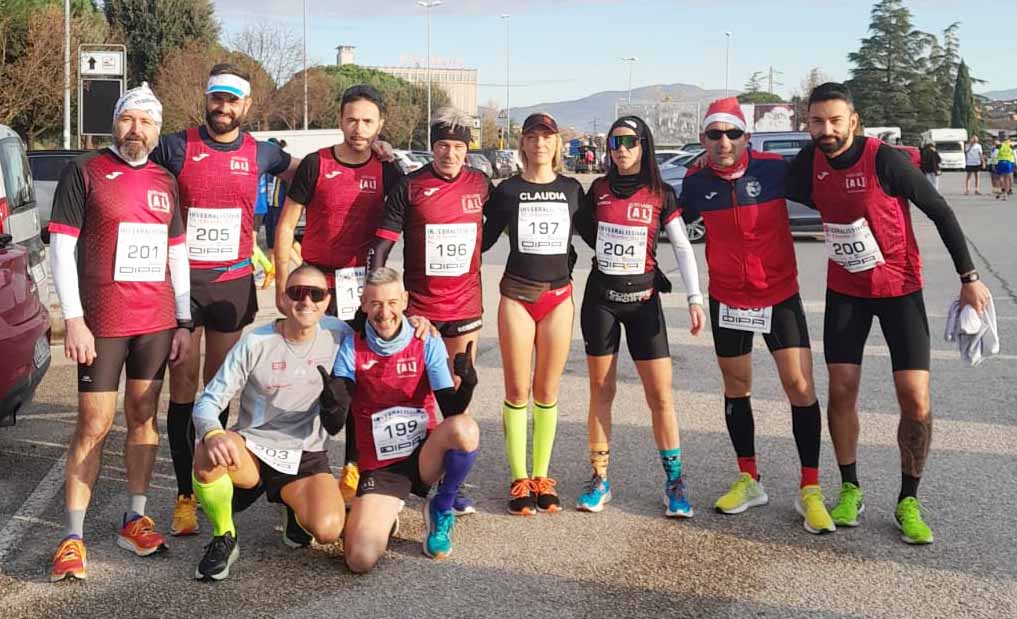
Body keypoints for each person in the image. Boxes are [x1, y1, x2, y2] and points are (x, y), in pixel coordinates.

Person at [788, 83, 991, 545]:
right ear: (809, 123)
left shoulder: (885, 160)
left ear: (853, 120)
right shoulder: (809, 163)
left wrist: (969, 277)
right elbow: (770, 194)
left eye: (836, 120)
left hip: (900, 288)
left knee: (914, 397)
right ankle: (850, 490)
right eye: (818, 121)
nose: (827, 130)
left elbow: (939, 210)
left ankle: (908, 500)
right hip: (846, 291)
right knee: (841, 390)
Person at [48, 84, 193, 582]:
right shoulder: (84, 172)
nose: (137, 130)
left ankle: (134, 516)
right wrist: (73, 317)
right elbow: (61, 250)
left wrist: (184, 320)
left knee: (143, 418)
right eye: (129, 120)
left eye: (147, 122)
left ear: (158, 129)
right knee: (93, 424)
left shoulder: (165, 178)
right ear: (115, 123)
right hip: (102, 323)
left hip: (154, 322)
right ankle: (72, 536)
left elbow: (177, 252)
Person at [150, 63, 300, 537]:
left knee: (216, 392)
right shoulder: (176, 146)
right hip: (181, 284)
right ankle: (184, 496)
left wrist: (373, 153)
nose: (223, 107)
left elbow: (310, 171)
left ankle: (210, 479)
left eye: (232, 100)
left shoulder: (261, 153)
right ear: (206, 97)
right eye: (217, 97)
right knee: (182, 387)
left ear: (246, 106)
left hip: (232, 286)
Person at [679, 98, 834, 534]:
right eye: (714, 134)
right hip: (728, 297)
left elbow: (828, 192)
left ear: (746, 136)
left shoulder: (773, 169)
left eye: (732, 133)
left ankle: (810, 488)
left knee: (800, 386)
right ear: (703, 139)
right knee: (736, 386)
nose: (724, 142)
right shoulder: (695, 181)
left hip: (778, 294)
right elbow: (670, 227)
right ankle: (749, 478)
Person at [274, 85, 404, 504]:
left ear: (380, 125)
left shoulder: (388, 170)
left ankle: (353, 468)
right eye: (351, 119)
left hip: (361, 289)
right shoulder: (317, 163)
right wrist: (282, 284)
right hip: (315, 287)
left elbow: (411, 212)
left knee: (358, 382)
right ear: (340, 119)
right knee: (306, 377)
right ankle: (299, 469)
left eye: (368, 121)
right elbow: (283, 225)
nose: (358, 128)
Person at [573, 116, 704, 518]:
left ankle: (675, 482)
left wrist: (695, 297)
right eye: (615, 142)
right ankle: (600, 478)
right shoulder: (597, 190)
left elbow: (682, 247)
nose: (622, 149)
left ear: (644, 145)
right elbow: (580, 229)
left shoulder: (660, 193)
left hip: (645, 303)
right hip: (602, 302)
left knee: (660, 395)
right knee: (601, 390)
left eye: (631, 141)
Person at [368, 108, 490, 516]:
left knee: (458, 397)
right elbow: (383, 244)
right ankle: (401, 475)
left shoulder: (480, 183)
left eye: (457, 147)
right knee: (411, 395)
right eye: (442, 146)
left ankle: (450, 488)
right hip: (421, 310)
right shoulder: (411, 185)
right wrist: (377, 294)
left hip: (466, 307)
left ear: (467, 150)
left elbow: (492, 232)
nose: (449, 154)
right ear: (431, 147)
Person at [189, 265, 346, 581]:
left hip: (306, 453)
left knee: (328, 531)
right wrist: (214, 432)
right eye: (297, 292)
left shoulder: (340, 334)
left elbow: (387, 335)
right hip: (254, 450)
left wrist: (419, 324)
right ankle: (224, 536)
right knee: (207, 450)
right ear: (284, 299)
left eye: (316, 294)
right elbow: (208, 401)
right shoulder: (255, 342)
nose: (306, 301)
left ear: (327, 301)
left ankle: (293, 508)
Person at [324, 267, 480, 572]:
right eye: (376, 304)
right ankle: (386, 511)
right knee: (359, 560)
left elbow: (451, 411)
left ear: (405, 300)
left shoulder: (426, 339)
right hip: (382, 468)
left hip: (424, 456)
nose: (385, 313)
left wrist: (468, 385)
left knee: (465, 428)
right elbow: (335, 424)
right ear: (363, 304)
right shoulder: (350, 346)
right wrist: (332, 402)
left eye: (393, 303)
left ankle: (441, 506)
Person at [481, 113, 584, 515]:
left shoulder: (573, 189)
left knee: (547, 391)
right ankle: (519, 478)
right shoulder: (508, 191)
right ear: (522, 144)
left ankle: (542, 476)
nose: (540, 143)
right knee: (516, 390)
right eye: (532, 136)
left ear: (557, 144)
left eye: (547, 136)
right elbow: (483, 238)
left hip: (559, 298)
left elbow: (597, 232)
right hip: (517, 297)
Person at [996, 132, 1014, 201]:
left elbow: (996, 147)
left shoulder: (999, 145)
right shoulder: (1010, 145)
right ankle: (1005, 195)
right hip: (1008, 162)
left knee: (1000, 177)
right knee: (1007, 179)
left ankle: (1002, 189)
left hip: (1001, 162)